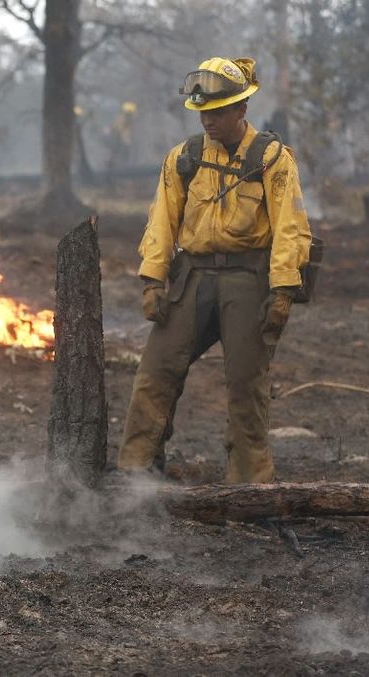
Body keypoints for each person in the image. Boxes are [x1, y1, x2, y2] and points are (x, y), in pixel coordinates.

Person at [116, 57, 312, 483]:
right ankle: (136, 473)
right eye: (202, 112)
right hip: (192, 278)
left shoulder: (272, 159)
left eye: (218, 112)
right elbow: (161, 221)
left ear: (242, 109)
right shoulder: (183, 158)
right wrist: (152, 280)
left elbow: (291, 229)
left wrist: (281, 292)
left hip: (248, 281)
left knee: (246, 384)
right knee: (155, 373)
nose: (208, 120)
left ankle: (248, 483)